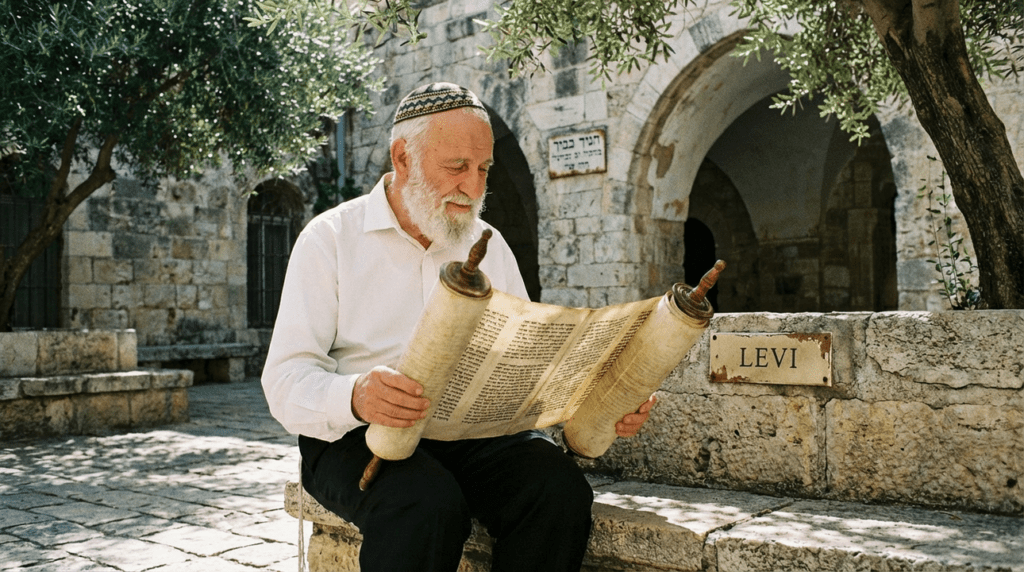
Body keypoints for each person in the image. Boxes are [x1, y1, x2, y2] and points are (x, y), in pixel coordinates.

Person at [262, 82, 656, 572]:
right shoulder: (329, 240)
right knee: (424, 506)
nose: (472, 186)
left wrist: (603, 398)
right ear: (402, 157)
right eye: (456, 167)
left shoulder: (490, 242)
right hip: (357, 435)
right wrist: (356, 394)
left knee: (557, 492)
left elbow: (527, 363)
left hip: (475, 435)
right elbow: (283, 381)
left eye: (483, 169)